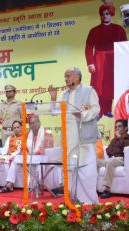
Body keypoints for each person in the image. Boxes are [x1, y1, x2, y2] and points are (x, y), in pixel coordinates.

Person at [49, 67, 100, 204]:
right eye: (65, 76)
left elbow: (96, 109)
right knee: (70, 168)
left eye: (68, 76)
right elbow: (55, 112)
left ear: (77, 77)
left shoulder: (89, 90)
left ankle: (89, 201)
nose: (65, 79)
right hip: (68, 134)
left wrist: (83, 115)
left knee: (86, 169)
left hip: (84, 134)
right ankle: (73, 198)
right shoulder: (63, 94)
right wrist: (53, 98)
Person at [85, 3, 127, 118]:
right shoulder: (94, 31)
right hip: (98, 61)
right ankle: (99, 111)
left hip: (113, 61)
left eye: (107, 14)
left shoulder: (119, 29)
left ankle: (108, 110)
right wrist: (90, 63)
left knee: (110, 86)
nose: (105, 16)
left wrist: (122, 62)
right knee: (98, 87)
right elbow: (89, 47)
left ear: (111, 15)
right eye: (102, 14)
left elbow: (124, 46)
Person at [97, 119, 129, 198]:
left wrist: (120, 139)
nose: (117, 128)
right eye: (116, 127)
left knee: (110, 162)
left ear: (126, 128)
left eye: (119, 126)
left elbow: (125, 151)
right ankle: (91, 187)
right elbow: (108, 151)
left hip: (121, 159)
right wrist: (117, 139)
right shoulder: (114, 139)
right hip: (111, 159)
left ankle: (107, 189)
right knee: (95, 162)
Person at [0, 120, 26, 193]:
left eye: (18, 127)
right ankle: (10, 185)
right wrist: (3, 155)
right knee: (3, 159)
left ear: (21, 127)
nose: (16, 129)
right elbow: (5, 148)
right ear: (13, 129)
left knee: (15, 160)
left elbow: (20, 150)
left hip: (21, 157)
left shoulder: (25, 137)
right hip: (10, 157)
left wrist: (11, 156)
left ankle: (9, 184)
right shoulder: (10, 138)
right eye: (14, 128)